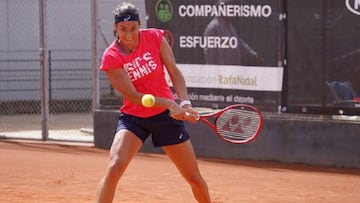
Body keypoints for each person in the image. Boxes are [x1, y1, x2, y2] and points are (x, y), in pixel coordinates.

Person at [95, 3, 211, 203]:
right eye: (123, 29)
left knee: (194, 178)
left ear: (139, 25)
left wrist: (184, 103)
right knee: (114, 167)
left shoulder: (155, 38)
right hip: (134, 118)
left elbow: (174, 71)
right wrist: (168, 103)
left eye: (133, 28)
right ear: (115, 28)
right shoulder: (111, 57)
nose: (129, 34)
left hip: (166, 118)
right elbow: (132, 95)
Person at [203, 0, 264, 66]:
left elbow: (240, 45)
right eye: (230, 9)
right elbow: (211, 58)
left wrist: (254, 56)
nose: (233, 12)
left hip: (233, 71)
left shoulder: (229, 26)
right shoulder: (213, 28)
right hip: (222, 73)